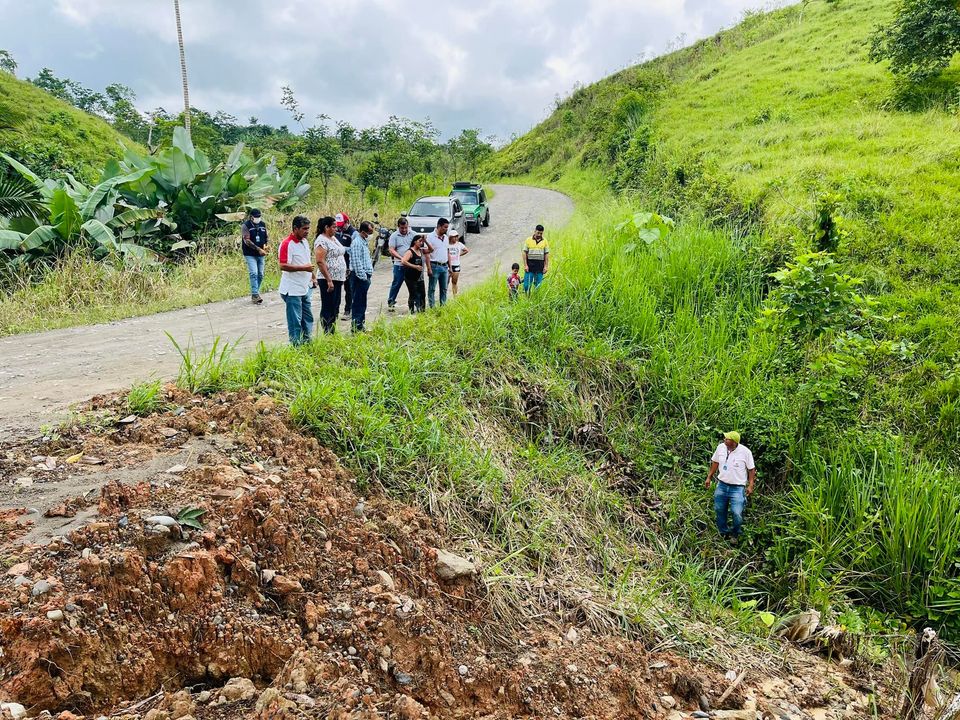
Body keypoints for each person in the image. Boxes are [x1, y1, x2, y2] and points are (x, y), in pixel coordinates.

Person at [705, 431, 756, 544]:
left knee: (736, 512)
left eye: (727, 439)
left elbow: (751, 469)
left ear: (733, 442)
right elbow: (715, 462)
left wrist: (751, 485)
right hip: (722, 485)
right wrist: (709, 477)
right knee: (719, 509)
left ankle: (735, 534)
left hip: (737, 488)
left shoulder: (745, 452)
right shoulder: (720, 448)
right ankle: (723, 532)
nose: (724, 440)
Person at [277, 215, 316, 345]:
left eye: (308, 228)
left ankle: (307, 341)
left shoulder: (304, 242)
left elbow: (307, 262)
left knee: (307, 317)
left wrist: (312, 276)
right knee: (295, 321)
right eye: (304, 229)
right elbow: (283, 265)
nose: (307, 231)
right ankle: (296, 345)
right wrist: (304, 268)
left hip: (304, 287)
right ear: (295, 228)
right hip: (292, 289)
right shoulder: (287, 244)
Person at [314, 216, 347, 334]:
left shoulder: (333, 238)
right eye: (333, 227)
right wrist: (328, 279)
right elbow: (320, 261)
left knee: (335, 305)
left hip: (338, 278)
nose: (336, 229)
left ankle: (332, 329)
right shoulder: (321, 241)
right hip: (328, 279)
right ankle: (327, 331)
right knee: (328, 305)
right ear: (326, 227)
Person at [345, 220, 375, 332]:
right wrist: (364, 278)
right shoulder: (357, 243)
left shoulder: (363, 242)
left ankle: (360, 325)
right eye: (369, 232)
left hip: (364, 276)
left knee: (362, 302)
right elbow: (356, 262)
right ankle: (356, 327)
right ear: (363, 232)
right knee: (358, 303)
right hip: (359, 277)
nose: (371, 235)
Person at [387, 217, 416, 312]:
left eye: (405, 228)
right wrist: (401, 258)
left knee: (413, 285)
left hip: (411, 265)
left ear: (408, 226)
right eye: (402, 228)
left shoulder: (413, 234)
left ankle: (415, 302)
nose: (404, 230)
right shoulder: (394, 236)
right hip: (399, 265)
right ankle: (391, 301)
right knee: (396, 283)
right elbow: (391, 250)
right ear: (398, 227)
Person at [241, 208, 268, 304]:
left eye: (259, 217)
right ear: (251, 217)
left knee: (260, 274)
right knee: (254, 273)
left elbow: (265, 237)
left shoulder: (262, 224)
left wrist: (265, 246)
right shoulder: (246, 226)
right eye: (256, 217)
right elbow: (247, 240)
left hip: (261, 253)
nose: (258, 218)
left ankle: (255, 293)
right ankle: (255, 294)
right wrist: (258, 249)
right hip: (250, 253)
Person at [400, 234, 429, 314]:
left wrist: (425, 241)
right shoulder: (410, 251)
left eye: (422, 241)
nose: (421, 243)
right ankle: (411, 311)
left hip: (420, 277)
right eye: (419, 241)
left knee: (422, 294)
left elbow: (431, 249)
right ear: (414, 242)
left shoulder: (421, 250)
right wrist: (415, 266)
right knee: (413, 294)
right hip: (411, 277)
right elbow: (403, 261)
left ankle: (422, 312)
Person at [426, 217, 450, 308]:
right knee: (432, 288)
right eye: (445, 227)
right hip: (434, 266)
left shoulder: (446, 238)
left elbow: (447, 252)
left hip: (444, 266)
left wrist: (450, 267)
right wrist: (429, 268)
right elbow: (427, 254)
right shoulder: (430, 237)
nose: (446, 229)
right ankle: (432, 306)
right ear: (439, 226)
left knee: (444, 288)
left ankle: (443, 306)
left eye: (447, 227)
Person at [336, 213, 354, 319]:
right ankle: (335, 311)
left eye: (341, 225)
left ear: (347, 222)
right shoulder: (336, 231)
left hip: (348, 265)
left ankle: (348, 310)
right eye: (338, 226)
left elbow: (354, 250)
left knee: (348, 289)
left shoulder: (353, 233)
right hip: (338, 264)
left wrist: (343, 249)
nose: (339, 228)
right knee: (337, 288)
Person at [522, 224, 550, 293]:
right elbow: (524, 252)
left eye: (541, 233)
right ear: (535, 231)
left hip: (540, 267)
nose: (539, 235)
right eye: (538, 233)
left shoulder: (545, 241)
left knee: (537, 286)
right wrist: (525, 265)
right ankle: (527, 297)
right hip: (529, 267)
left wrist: (546, 266)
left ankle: (535, 298)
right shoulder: (528, 240)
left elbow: (546, 254)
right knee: (526, 286)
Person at [447, 229, 470, 297]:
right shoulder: (447, 244)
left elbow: (466, 250)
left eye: (456, 236)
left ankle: (455, 296)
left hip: (456, 264)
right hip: (447, 265)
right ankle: (444, 297)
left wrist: (459, 255)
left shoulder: (459, 244)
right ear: (450, 237)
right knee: (446, 282)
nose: (455, 238)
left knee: (454, 282)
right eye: (454, 237)